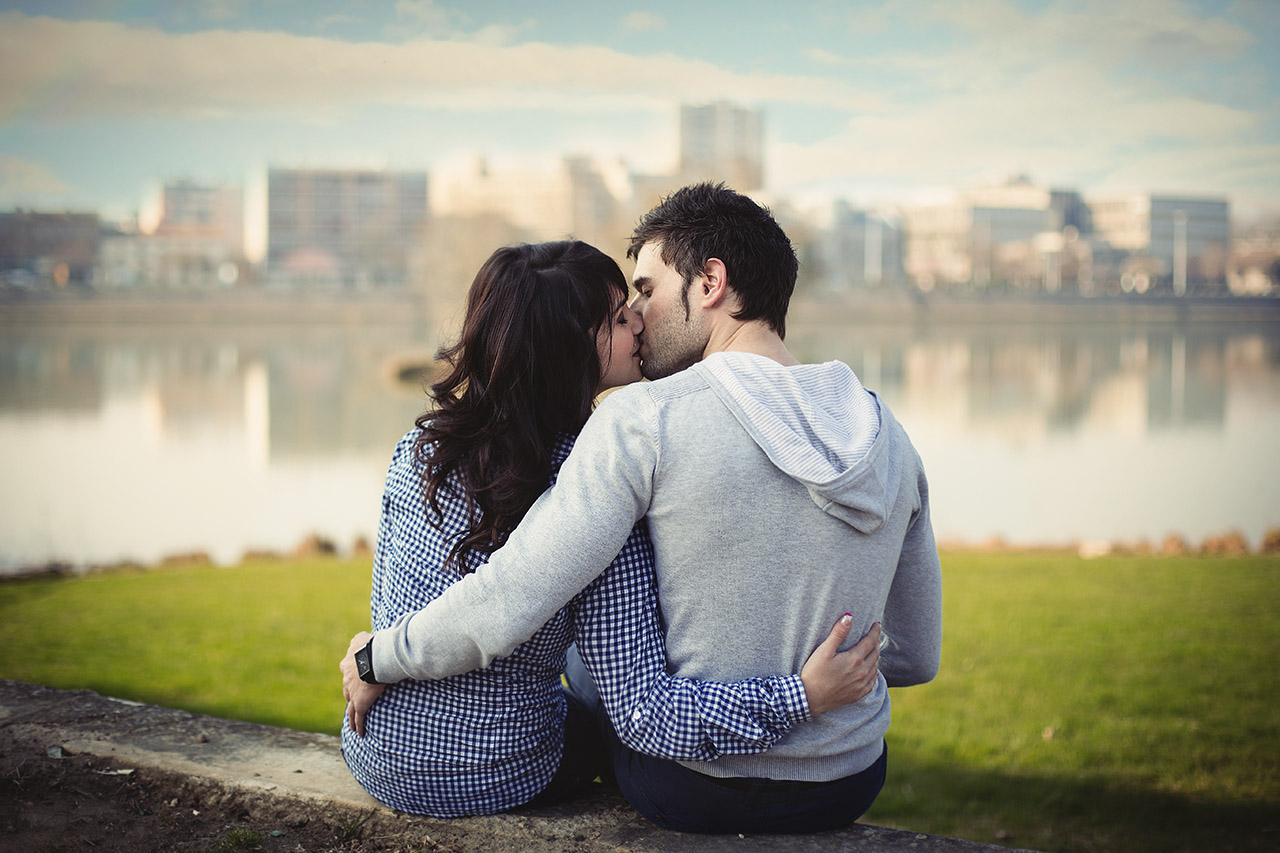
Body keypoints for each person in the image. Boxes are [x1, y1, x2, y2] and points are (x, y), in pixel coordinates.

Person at [343, 185, 942, 833]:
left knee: (605, 673)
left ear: (710, 281)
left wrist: (378, 657)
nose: (639, 316)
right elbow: (916, 657)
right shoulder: (890, 434)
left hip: (688, 783)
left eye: (648, 291)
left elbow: (514, 595)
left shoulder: (639, 422)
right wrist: (820, 677)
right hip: (847, 779)